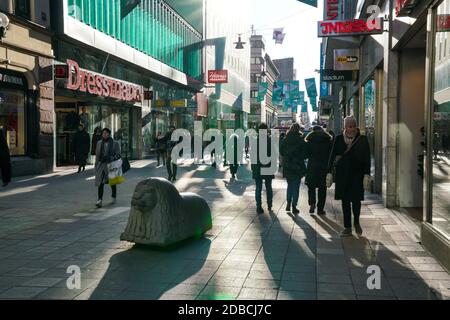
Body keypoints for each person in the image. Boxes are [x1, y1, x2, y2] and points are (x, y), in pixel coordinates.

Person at [327, 116, 371, 236]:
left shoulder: (362, 139)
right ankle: (347, 227)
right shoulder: (339, 139)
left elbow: (367, 158)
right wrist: (329, 171)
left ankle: (356, 222)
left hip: (357, 175)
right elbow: (332, 156)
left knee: (356, 201)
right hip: (343, 175)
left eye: (353, 126)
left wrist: (367, 174)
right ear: (345, 127)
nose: (351, 129)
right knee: (345, 201)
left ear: (356, 127)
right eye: (349, 126)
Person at [304, 125, 333, 215]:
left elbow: (306, 155)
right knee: (322, 189)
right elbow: (331, 156)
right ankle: (320, 209)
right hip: (323, 168)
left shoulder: (309, 141)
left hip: (312, 167)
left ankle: (312, 204)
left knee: (311, 187)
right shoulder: (328, 141)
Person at [280, 123, 306, 214]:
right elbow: (304, 154)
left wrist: (287, 157)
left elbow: (281, 151)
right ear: (298, 130)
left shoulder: (285, 139)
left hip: (288, 165)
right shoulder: (301, 140)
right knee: (296, 187)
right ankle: (294, 206)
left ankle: (288, 203)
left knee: (290, 185)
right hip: (297, 166)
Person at [251, 123, 275, 214]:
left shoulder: (255, 141)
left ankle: (259, 206)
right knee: (268, 187)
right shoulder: (270, 141)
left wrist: (253, 168)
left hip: (257, 168)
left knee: (258, 187)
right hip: (268, 167)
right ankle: (269, 205)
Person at [95, 128, 121, 208]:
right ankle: (99, 200)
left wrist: (112, 158)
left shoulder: (115, 143)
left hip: (111, 164)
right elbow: (97, 154)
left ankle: (113, 197)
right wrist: (96, 165)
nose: (104, 134)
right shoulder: (99, 143)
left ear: (109, 134)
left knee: (112, 182)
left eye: (106, 133)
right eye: (103, 133)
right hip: (101, 164)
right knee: (100, 182)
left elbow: (118, 154)